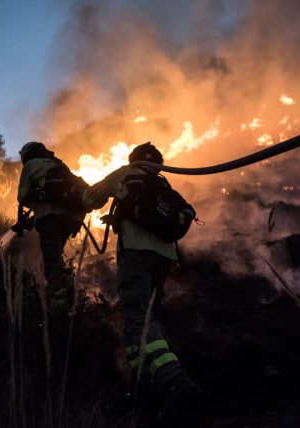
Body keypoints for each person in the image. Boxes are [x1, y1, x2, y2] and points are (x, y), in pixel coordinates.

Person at [82, 142, 201, 417]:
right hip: (166, 257)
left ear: (132, 159)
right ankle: (142, 385)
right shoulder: (164, 186)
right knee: (143, 319)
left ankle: (175, 381)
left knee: (138, 319)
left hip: (136, 254)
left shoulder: (125, 173)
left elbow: (89, 199)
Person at [15, 141, 84, 308]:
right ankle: (66, 293)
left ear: (26, 155)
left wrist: (35, 203)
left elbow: (22, 197)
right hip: (71, 219)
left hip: (50, 219)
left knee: (51, 261)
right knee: (56, 257)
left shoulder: (31, 164)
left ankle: (57, 304)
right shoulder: (59, 165)